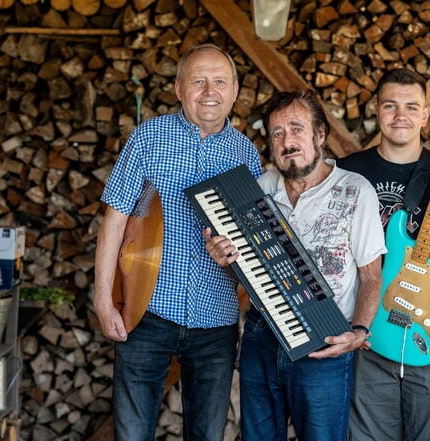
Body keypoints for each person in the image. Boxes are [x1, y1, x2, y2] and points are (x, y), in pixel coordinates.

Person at [93, 44, 262, 441]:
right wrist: (103, 298)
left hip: (216, 321)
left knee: (207, 435)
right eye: (198, 81)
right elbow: (113, 220)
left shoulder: (248, 157)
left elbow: (253, 244)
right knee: (132, 434)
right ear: (178, 87)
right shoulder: (149, 137)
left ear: (235, 91)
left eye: (220, 81)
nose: (209, 91)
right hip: (144, 311)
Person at [205, 89, 385, 441]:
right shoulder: (260, 188)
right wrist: (222, 256)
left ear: (319, 134)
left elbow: (371, 276)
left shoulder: (354, 190)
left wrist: (359, 332)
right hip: (262, 335)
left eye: (297, 129)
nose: (288, 141)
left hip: (325, 339)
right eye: (277, 133)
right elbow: (241, 267)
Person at [339, 68, 430, 441]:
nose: (400, 115)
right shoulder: (348, 171)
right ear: (376, 111)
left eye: (411, 106)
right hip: (367, 329)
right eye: (390, 105)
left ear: (425, 115)